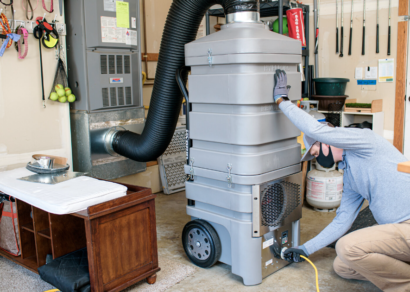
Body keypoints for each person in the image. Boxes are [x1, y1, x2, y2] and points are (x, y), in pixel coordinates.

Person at [273, 70, 410, 292]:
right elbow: (342, 221)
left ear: (326, 140)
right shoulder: (350, 175)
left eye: (315, 151)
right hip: (396, 230)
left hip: (408, 226)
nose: (317, 157)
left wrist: (282, 101)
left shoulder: (364, 142)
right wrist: (305, 249)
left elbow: (314, 127)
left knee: (348, 247)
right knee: (343, 265)